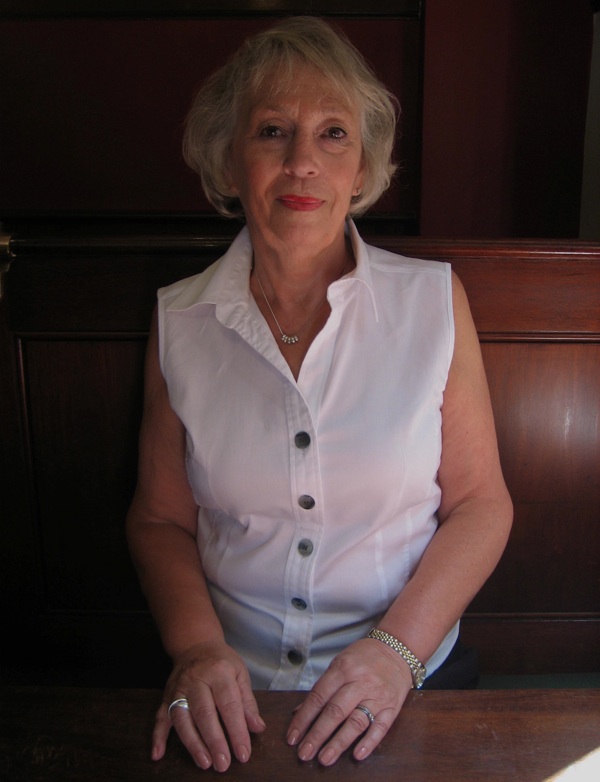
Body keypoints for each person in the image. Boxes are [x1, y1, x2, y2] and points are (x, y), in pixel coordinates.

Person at [126, 15, 513, 772]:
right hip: (231, 695)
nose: (302, 162)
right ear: (229, 161)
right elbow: (159, 518)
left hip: (411, 676)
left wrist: (394, 653)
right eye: (272, 131)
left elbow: (481, 504)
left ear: (362, 168)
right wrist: (199, 650)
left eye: (333, 134)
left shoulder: (433, 302)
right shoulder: (180, 318)